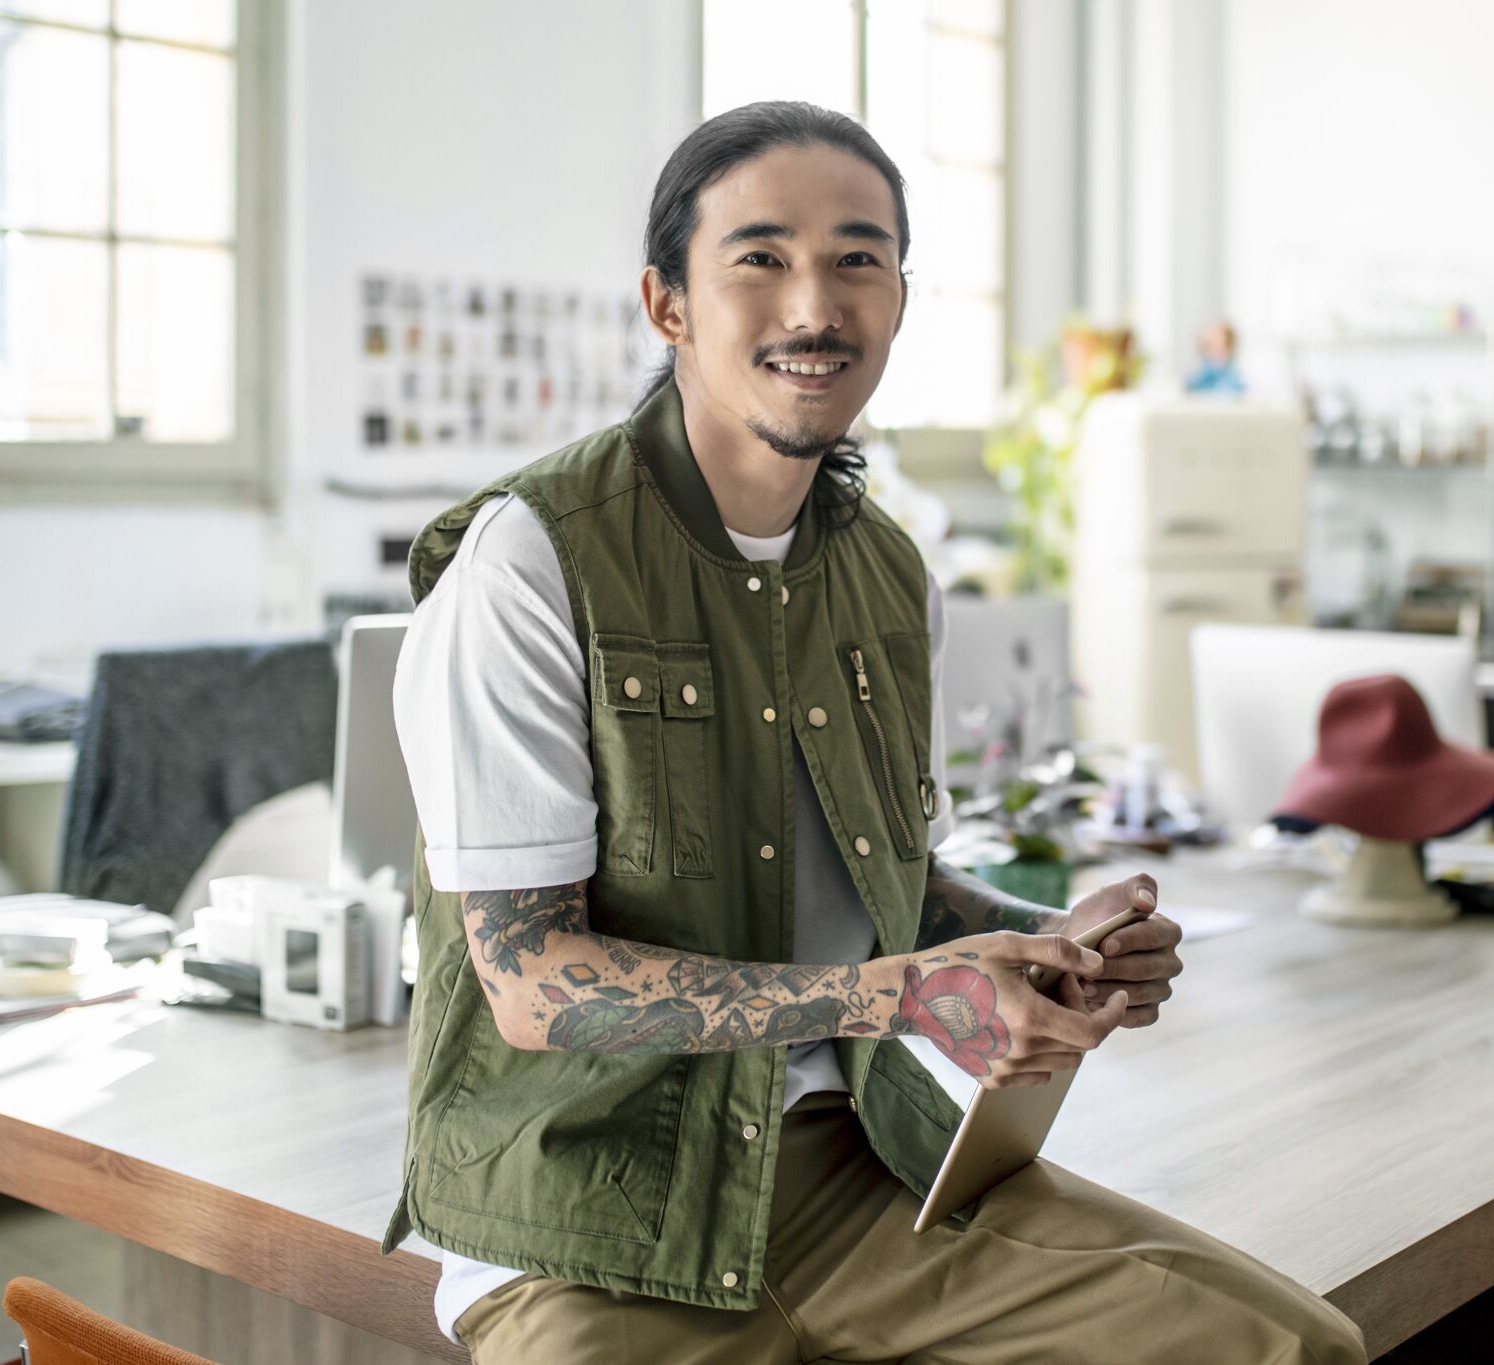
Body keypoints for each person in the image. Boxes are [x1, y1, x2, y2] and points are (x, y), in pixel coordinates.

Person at [385, 100, 1364, 1365]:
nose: (814, 306)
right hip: (586, 1225)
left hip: (864, 1179)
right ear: (666, 304)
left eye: (858, 259)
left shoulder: (887, 574)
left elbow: (884, 890)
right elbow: (529, 982)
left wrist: (1037, 946)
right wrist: (893, 996)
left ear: (900, 299)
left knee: (1300, 1351)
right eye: (759, 259)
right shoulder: (530, 563)